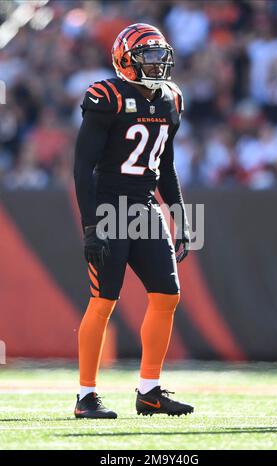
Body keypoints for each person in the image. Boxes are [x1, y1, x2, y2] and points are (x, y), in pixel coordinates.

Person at [73, 23, 194, 418]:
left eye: (162, 56)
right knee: (104, 300)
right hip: (109, 206)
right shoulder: (106, 95)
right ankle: (86, 396)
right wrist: (91, 225)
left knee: (167, 295)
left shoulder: (171, 99)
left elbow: (167, 166)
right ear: (125, 60)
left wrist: (181, 217)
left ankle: (149, 390)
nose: (158, 65)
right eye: (149, 57)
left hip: (144, 206)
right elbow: (82, 166)